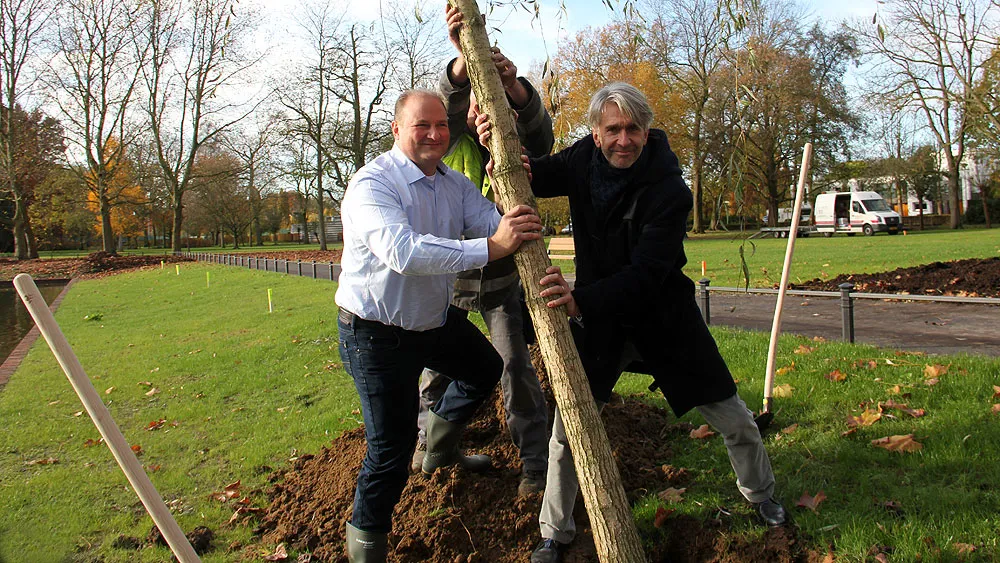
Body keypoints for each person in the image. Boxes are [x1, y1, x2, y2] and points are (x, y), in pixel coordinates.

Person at [478, 82, 787, 563]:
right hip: (602, 327)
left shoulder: (670, 191)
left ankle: (761, 495)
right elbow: (531, 175)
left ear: (647, 131)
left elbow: (647, 274)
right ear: (597, 135)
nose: (624, 140)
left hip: (663, 319)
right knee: (568, 431)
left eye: (634, 130)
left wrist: (580, 301)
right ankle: (554, 533)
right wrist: (496, 142)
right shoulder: (583, 159)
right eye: (614, 130)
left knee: (735, 419)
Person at [335, 88, 542, 563]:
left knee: (485, 368)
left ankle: (443, 451)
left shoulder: (453, 183)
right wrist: (491, 248)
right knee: (389, 452)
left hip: (430, 321)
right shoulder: (373, 184)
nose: (434, 134)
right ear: (396, 129)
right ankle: (367, 548)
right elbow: (404, 252)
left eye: (441, 126)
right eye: (421, 125)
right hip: (375, 333)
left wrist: (508, 189)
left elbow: (490, 219)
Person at [412, 4, 554, 497]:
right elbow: (444, 101)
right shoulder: (443, 144)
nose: (476, 115)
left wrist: (513, 87)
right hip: (447, 278)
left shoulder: (511, 145)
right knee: (433, 369)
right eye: (470, 109)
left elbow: (543, 135)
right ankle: (431, 448)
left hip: (498, 279)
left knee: (515, 366)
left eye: (485, 107)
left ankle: (535, 463)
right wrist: (461, 60)